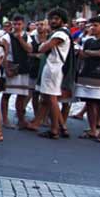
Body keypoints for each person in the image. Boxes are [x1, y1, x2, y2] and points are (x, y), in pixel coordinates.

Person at [37, 8, 72, 139]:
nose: (53, 21)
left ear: (62, 20)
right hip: (53, 67)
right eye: (52, 18)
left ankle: (55, 129)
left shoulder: (60, 34)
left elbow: (44, 48)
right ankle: (62, 126)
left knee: (52, 99)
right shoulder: (58, 33)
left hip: (54, 68)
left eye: (56, 19)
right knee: (50, 98)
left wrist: (43, 42)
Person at [5, 14, 37, 130]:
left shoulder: (27, 37)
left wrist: (19, 39)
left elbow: (29, 49)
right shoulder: (7, 37)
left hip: (23, 67)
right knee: (7, 94)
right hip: (11, 67)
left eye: (19, 24)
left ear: (23, 24)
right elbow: (4, 53)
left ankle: (21, 119)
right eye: (15, 24)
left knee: (22, 95)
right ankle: (4, 118)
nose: (17, 26)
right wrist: (6, 68)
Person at [75, 17, 100, 141]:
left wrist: (89, 52)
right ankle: (92, 129)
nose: (92, 28)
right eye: (91, 25)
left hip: (99, 76)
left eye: (95, 25)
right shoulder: (89, 41)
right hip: (87, 75)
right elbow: (82, 55)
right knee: (90, 103)